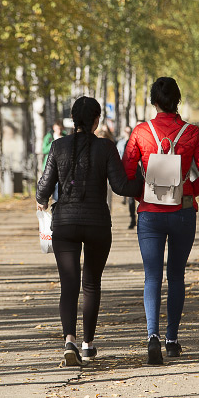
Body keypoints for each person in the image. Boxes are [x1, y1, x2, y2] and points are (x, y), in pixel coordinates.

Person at [36, 96, 143, 366]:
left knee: (68, 285)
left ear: (74, 120)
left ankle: (69, 340)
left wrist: (42, 201)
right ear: (96, 121)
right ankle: (87, 345)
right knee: (91, 283)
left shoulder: (58, 146)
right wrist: (144, 180)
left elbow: (43, 189)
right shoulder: (106, 147)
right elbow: (121, 187)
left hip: (65, 225)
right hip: (97, 225)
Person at [122, 77, 199, 365]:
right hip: (183, 212)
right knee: (176, 276)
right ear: (178, 101)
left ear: (153, 101)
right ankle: (172, 340)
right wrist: (187, 193)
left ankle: (152, 337)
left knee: (152, 276)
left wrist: (142, 195)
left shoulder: (140, 132)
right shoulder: (192, 132)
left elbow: (127, 171)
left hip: (150, 213)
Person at [41, 120, 66, 202]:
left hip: (61, 165)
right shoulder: (49, 137)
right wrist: (54, 143)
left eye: (60, 129)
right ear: (54, 128)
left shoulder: (65, 136)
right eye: (57, 128)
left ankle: (56, 203)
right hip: (49, 165)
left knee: (58, 186)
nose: (59, 130)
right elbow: (44, 150)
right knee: (49, 186)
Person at [117, 126, 136, 228]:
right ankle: (133, 219)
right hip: (129, 173)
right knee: (131, 199)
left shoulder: (133, 142)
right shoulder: (123, 143)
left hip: (136, 173)